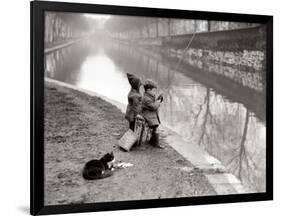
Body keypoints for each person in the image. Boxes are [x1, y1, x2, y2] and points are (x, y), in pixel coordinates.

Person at [142, 79, 164, 148]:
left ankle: (152, 141)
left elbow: (152, 104)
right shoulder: (146, 98)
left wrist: (158, 99)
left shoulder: (148, 96)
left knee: (155, 124)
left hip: (150, 113)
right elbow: (153, 106)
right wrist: (158, 102)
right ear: (148, 90)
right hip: (147, 114)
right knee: (155, 126)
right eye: (152, 90)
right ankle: (155, 143)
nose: (154, 92)